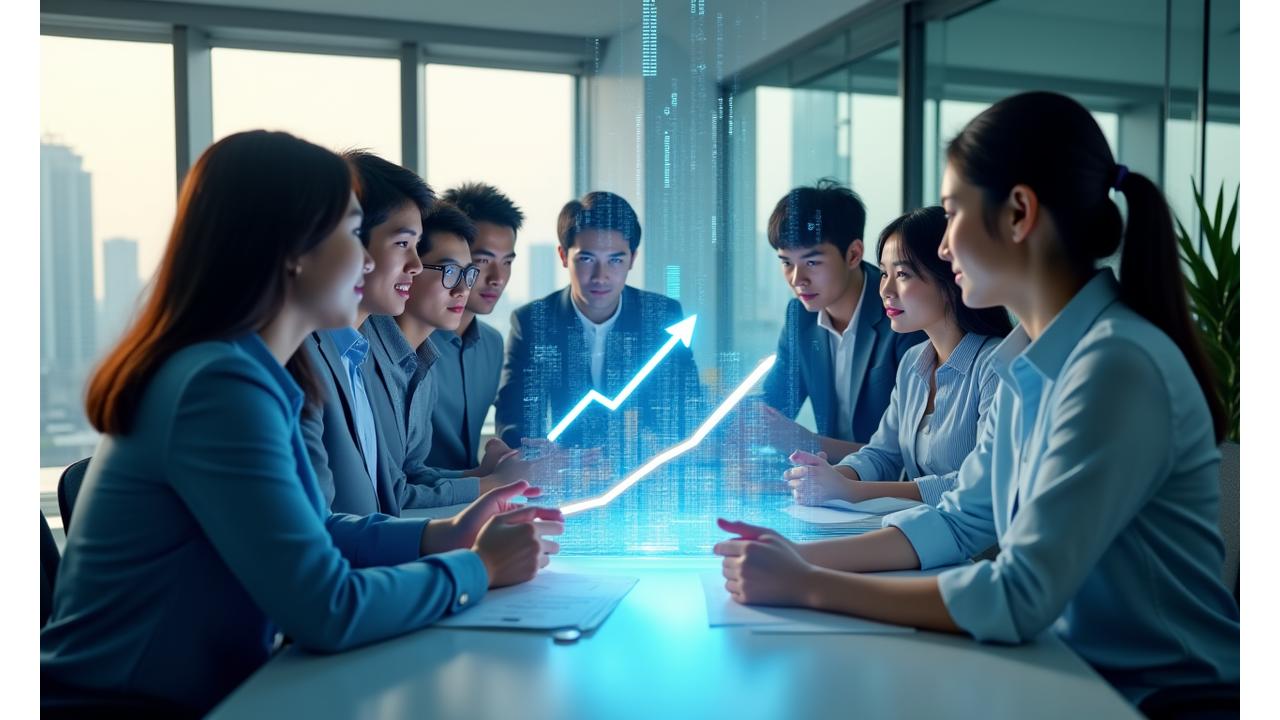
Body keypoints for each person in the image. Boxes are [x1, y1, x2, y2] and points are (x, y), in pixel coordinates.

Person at [714, 92, 1239, 707]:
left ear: (1019, 214)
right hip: (1068, 673)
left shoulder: (1115, 363)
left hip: (1155, 700)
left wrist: (809, 586)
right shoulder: (1026, 359)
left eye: (953, 213)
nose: (942, 247)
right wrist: (805, 557)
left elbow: (1018, 594)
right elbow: (964, 519)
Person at [41, 131, 563, 714]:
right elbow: (325, 608)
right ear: (289, 248)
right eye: (349, 232)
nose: (369, 258)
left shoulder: (254, 371)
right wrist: (478, 568)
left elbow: (313, 531)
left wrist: (444, 534)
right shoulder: (217, 385)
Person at [786, 206, 1012, 508]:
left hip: (980, 548)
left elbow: (976, 485)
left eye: (902, 274)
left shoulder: (996, 365)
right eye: (883, 273)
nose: (886, 290)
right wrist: (827, 475)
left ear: (951, 278)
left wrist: (849, 490)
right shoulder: (913, 362)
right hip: (924, 534)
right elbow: (882, 453)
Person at [494, 191, 702, 466]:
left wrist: (656, 445)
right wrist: (538, 454)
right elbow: (513, 417)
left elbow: (689, 407)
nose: (601, 276)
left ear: (632, 258)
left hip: (643, 471)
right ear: (563, 256)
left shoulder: (662, 317)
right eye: (587, 259)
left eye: (615, 260)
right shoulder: (534, 321)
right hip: (563, 471)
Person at [758, 180, 926, 459]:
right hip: (830, 488)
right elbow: (774, 410)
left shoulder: (901, 312)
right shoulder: (800, 317)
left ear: (853, 254)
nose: (797, 279)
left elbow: (909, 455)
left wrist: (809, 442)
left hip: (890, 494)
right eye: (786, 262)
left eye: (812, 262)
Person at [427, 182, 523, 473]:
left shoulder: (492, 344)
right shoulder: (410, 341)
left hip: (472, 504)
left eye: (507, 262)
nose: (498, 277)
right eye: (483, 260)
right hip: (410, 511)